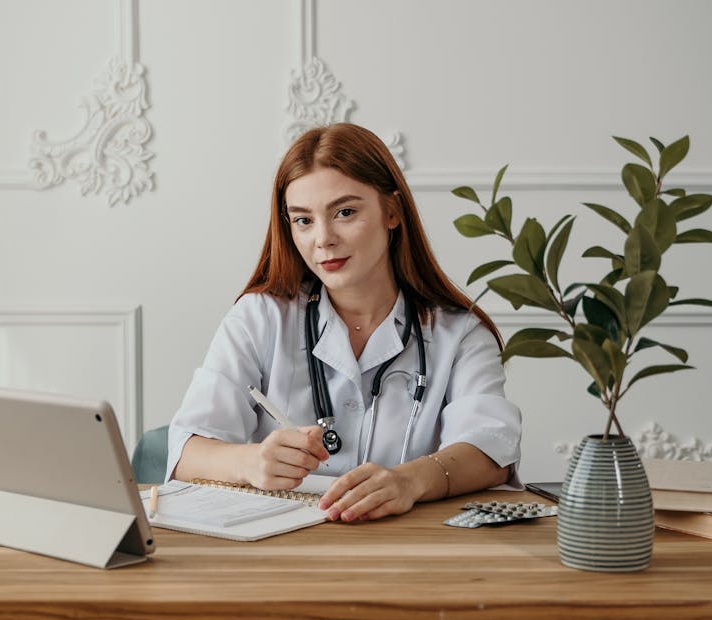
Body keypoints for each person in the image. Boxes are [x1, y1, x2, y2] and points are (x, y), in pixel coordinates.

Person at [166, 123, 521, 523]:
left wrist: (410, 480)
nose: (323, 239)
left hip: (410, 556)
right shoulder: (259, 317)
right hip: (281, 556)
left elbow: (492, 451)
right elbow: (186, 451)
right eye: (303, 220)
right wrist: (251, 462)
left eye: (345, 212)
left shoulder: (460, 334)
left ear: (392, 212)